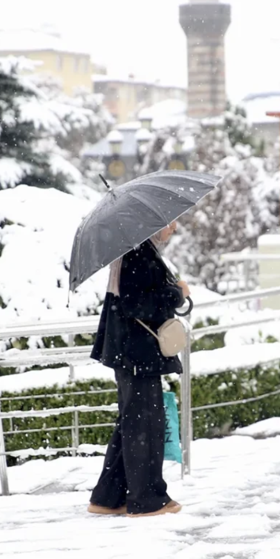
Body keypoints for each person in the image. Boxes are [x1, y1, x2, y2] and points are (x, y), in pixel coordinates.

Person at [87, 221, 190, 517]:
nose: (175, 227)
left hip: (128, 351)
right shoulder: (138, 252)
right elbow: (138, 304)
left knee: (131, 423)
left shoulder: (134, 250)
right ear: (154, 222)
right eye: (170, 222)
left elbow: (133, 299)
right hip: (136, 353)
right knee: (144, 425)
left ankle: (108, 497)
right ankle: (146, 499)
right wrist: (177, 294)